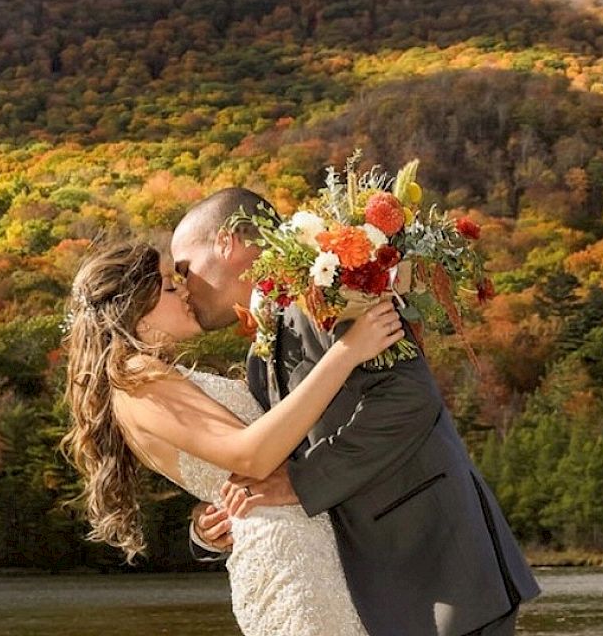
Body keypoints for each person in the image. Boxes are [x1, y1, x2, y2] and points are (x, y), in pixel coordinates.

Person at [175, 188, 541, 636]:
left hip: (440, 571)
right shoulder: (259, 351)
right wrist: (219, 523)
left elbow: (409, 399)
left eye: (184, 268)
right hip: (381, 592)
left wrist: (300, 481)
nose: (183, 285)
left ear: (227, 243)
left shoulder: (335, 288)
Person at [61, 240, 406, 635]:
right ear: (136, 312)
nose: (186, 290)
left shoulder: (150, 379)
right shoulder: (137, 378)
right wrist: (347, 352)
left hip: (304, 545)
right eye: (171, 287)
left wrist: (204, 525)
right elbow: (251, 456)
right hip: (289, 555)